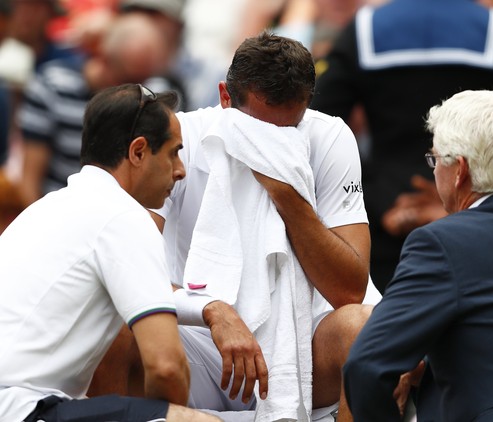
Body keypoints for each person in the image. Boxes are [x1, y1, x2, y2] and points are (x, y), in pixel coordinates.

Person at [150, 32, 380, 422]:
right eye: (256, 129)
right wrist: (213, 310)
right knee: (114, 322)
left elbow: (349, 290)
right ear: (225, 97)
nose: (270, 143)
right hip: (199, 341)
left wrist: (286, 194)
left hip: (304, 352)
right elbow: (133, 267)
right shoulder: (181, 137)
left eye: (285, 131)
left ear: (306, 105)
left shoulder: (329, 137)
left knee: (364, 329)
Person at [343, 90, 493, 421]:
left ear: (460, 171)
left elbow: (366, 366)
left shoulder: (439, 242)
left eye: (435, 159)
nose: (433, 170)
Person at [0, 83, 221, 422]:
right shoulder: (124, 216)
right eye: (174, 152)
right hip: (21, 409)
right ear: (138, 152)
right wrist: (167, 412)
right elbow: (166, 367)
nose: (181, 170)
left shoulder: (47, 206)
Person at [310, 0, 493, 292]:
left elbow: (317, 125)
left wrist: (377, 191)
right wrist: (477, 191)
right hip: (475, 226)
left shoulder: (363, 31)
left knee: (386, 324)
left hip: (385, 220)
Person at [16, 11, 175, 207]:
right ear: (102, 56)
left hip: (125, 216)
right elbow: (29, 180)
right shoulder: (52, 86)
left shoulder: (154, 94)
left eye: (142, 81)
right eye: (126, 79)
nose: (135, 91)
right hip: (60, 209)